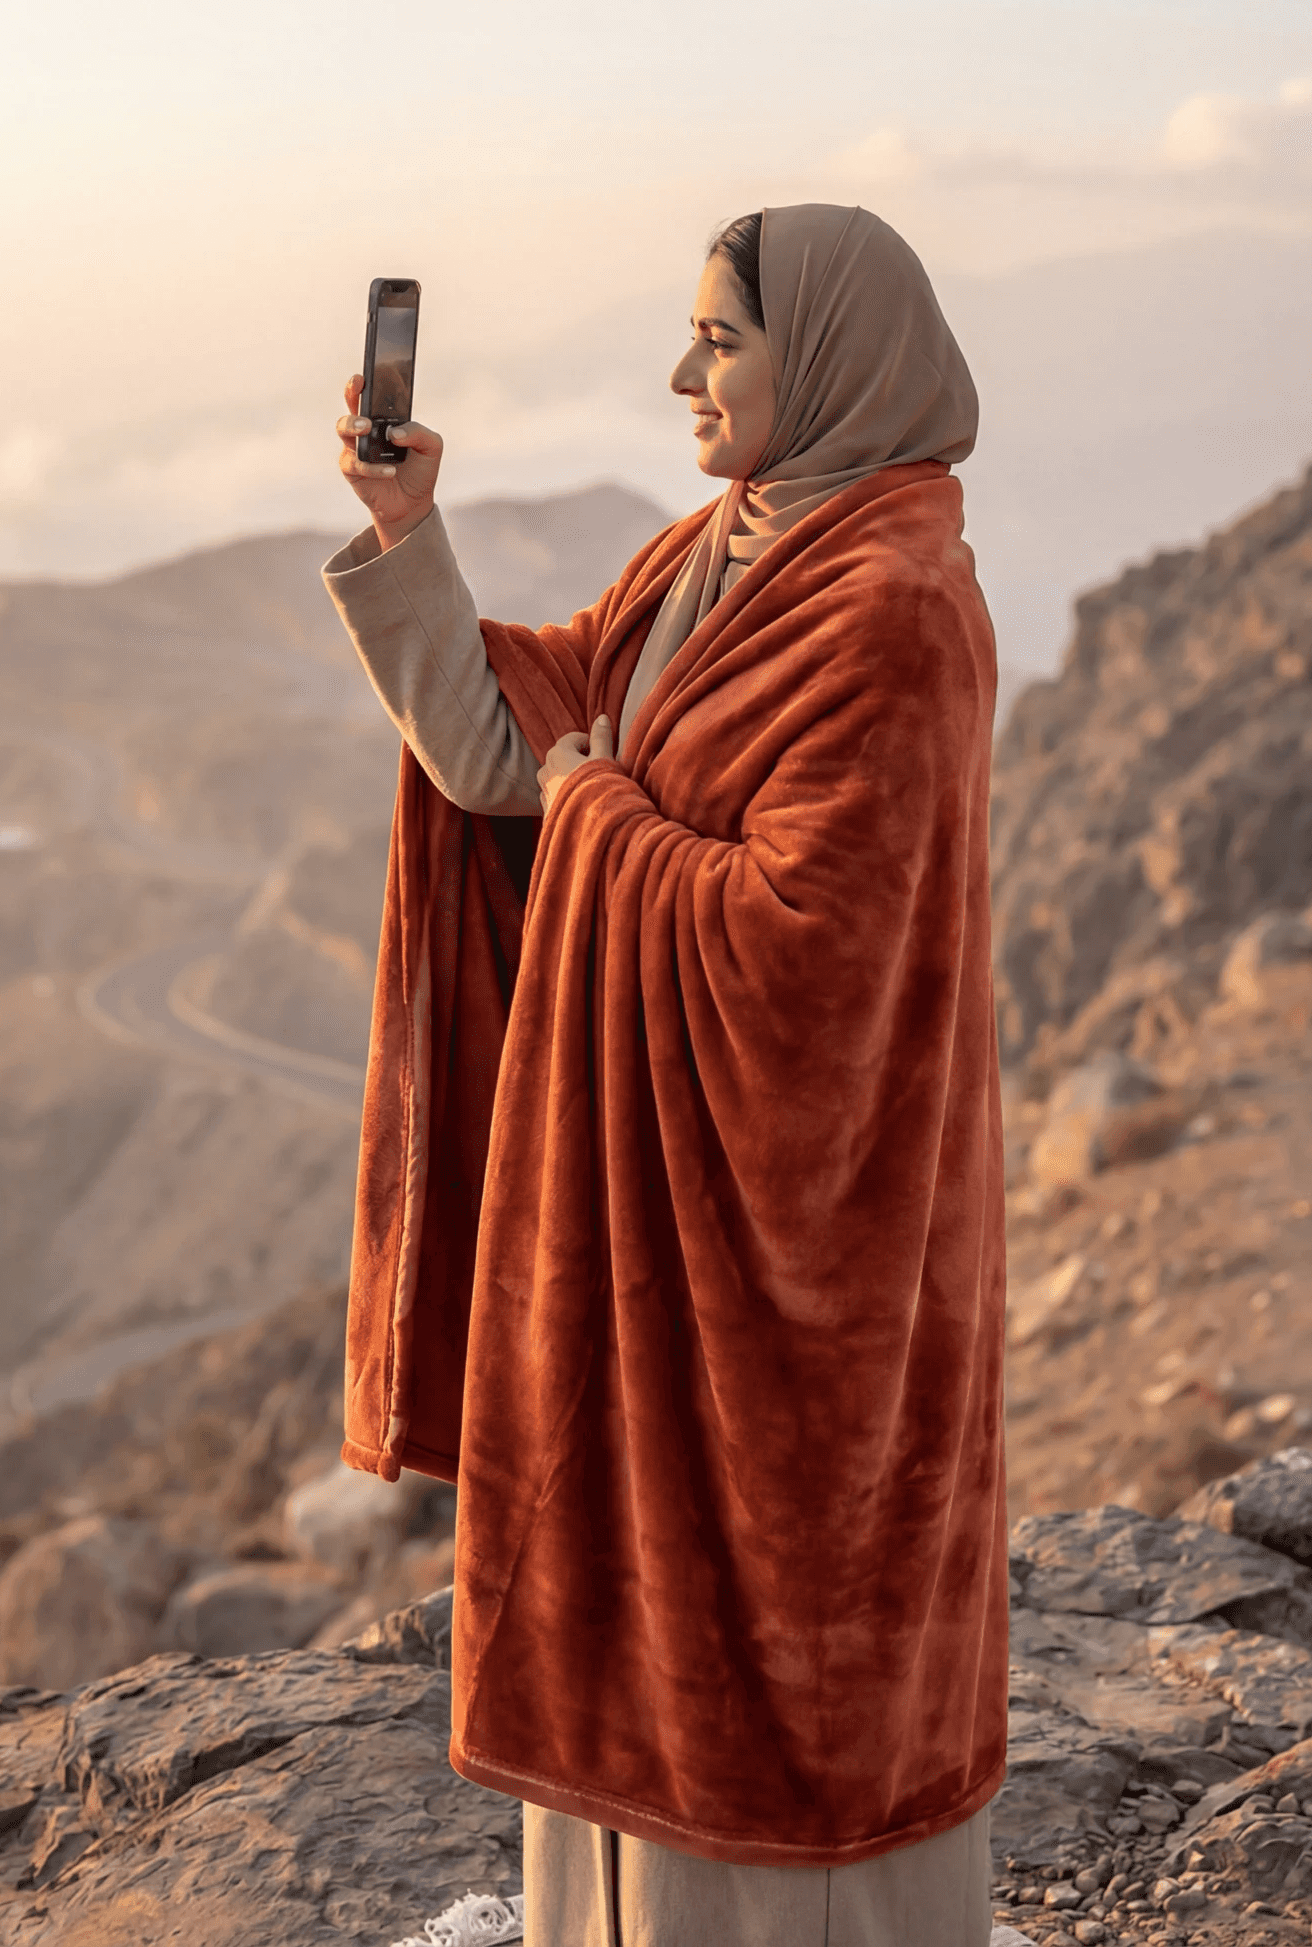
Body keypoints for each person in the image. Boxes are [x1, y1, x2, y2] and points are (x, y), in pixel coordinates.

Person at [324, 205, 1005, 1947]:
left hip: (798, 1283)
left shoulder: (897, 603)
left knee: (782, 1687)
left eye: (722, 341)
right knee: (639, 1644)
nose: (682, 374)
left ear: (829, 364)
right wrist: (411, 537)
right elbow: (524, 749)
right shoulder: (724, 550)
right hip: (659, 1250)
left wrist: (601, 819)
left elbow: (813, 958)